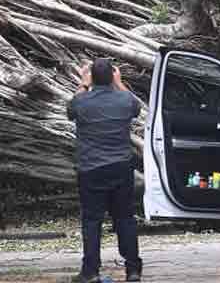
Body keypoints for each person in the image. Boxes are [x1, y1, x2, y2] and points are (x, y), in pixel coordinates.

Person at [67, 58, 143, 283]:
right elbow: (136, 107)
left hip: (91, 169)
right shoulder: (124, 99)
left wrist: (83, 83)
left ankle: (90, 272)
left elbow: (71, 110)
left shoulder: (82, 101)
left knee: (92, 221)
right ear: (113, 76)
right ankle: (133, 270)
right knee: (125, 219)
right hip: (121, 167)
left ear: (91, 77)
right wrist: (119, 83)